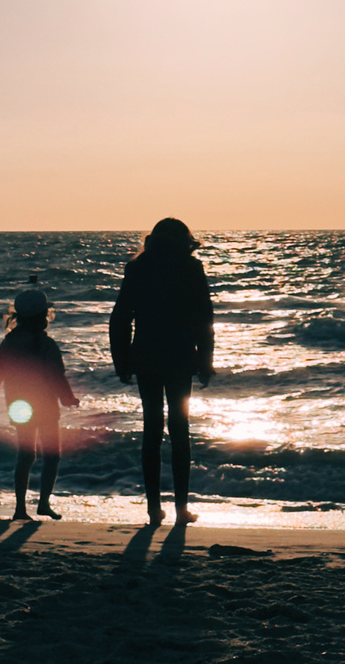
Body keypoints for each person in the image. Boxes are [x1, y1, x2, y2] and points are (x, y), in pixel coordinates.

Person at [109, 217, 214, 527]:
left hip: (147, 357)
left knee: (152, 430)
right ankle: (181, 509)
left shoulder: (138, 268)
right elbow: (204, 320)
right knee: (180, 431)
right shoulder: (191, 268)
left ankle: (154, 509)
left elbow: (120, 318)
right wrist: (206, 362)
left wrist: (122, 360)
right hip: (180, 358)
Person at [0, 285, 80, 521]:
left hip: (19, 407)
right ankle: (43, 503)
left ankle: (20, 508)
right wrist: (67, 398)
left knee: (26, 455)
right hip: (46, 407)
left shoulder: (9, 344)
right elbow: (57, 376)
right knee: (51, 455)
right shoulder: (47, 345)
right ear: (43, 317)